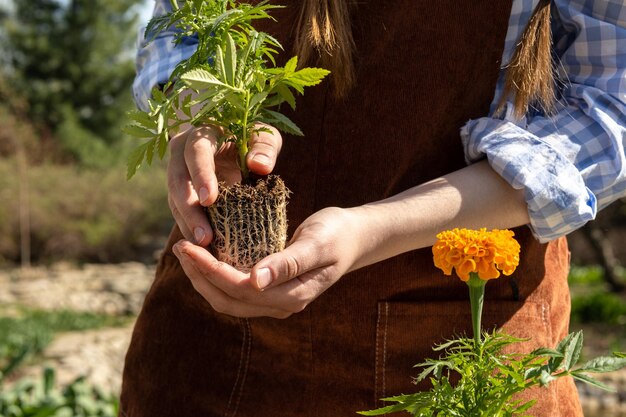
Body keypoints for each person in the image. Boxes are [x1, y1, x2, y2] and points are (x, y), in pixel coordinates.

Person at [120, 1, 626, 416]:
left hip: (466, 339)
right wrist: (198, 118)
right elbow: (176, 30)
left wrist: (372, 230)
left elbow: (610, 111)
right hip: (213, 351)